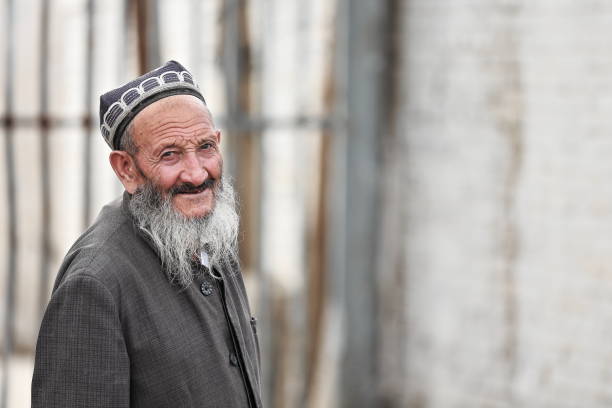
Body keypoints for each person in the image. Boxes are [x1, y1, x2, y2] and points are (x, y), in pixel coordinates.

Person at [31, 60, 262, 408]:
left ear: (218, 142)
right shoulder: (94, 284)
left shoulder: (210, 230)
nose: (197, 174)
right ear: (127, 169)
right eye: (170, 155)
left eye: (205, 147)